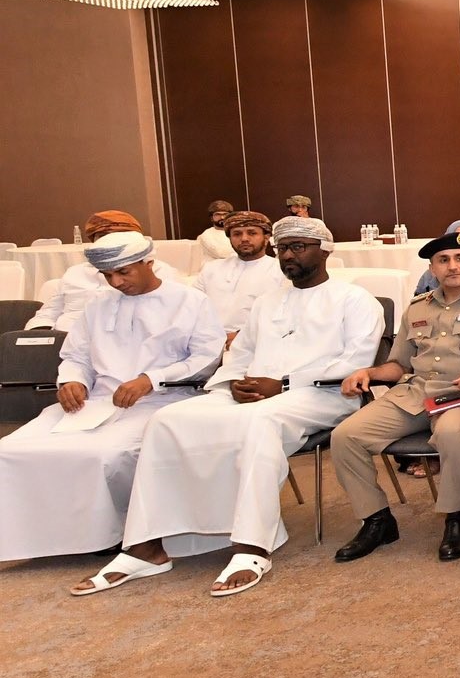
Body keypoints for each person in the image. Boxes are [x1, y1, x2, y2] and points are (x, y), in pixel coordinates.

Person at [73, 218, 383, 596]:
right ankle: (145, 547)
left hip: (323, 394)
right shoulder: (267, 302)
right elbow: (241, 354)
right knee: (168, 420)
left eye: (299, 247)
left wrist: (282, 384)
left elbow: (356, 362)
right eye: (282, 248)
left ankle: (252, 546)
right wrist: (232, 383)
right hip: (254, 391)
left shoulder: (355, 299)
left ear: (325, 250)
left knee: (259, 424)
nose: (288, 255)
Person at [0, 232, 223, 565]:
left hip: (162, 401)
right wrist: (72, 381)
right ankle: (44, 539)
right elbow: (76, 356)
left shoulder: (189, 302)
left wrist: (151, 380)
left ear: (149, 263)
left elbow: (206, 356)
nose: (116, 282)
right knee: (10, 450)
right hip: (95, 404)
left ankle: (112, 536)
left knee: (104, 454)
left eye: (124, 273)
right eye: (108, 276)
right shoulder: (98, 305)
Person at [328, 228, 460, 563]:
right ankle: (377, 520)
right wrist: (369, 372)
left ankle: (457, 517)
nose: (453, 266)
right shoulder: (417, 308)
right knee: (346, 435)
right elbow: (397, 365)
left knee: (451, 433)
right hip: (417, 393)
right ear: (432, 269)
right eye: (443, 260)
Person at [27, 210, 181, 332]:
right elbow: (48, 314)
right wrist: (40, 337)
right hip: (65, 342)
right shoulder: (74, 273)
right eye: (103, 238)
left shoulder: (159, 272)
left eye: (118, 237)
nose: (110, 243)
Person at [190, 210, 285, 344]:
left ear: (266, 237)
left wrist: (241, 336)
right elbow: (191, 307)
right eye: (237, 234)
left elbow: (282, 316)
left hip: (255, 343)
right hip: (205, 341)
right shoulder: (211, 268)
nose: (244, 238)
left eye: (252, 233)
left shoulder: (281, 270)